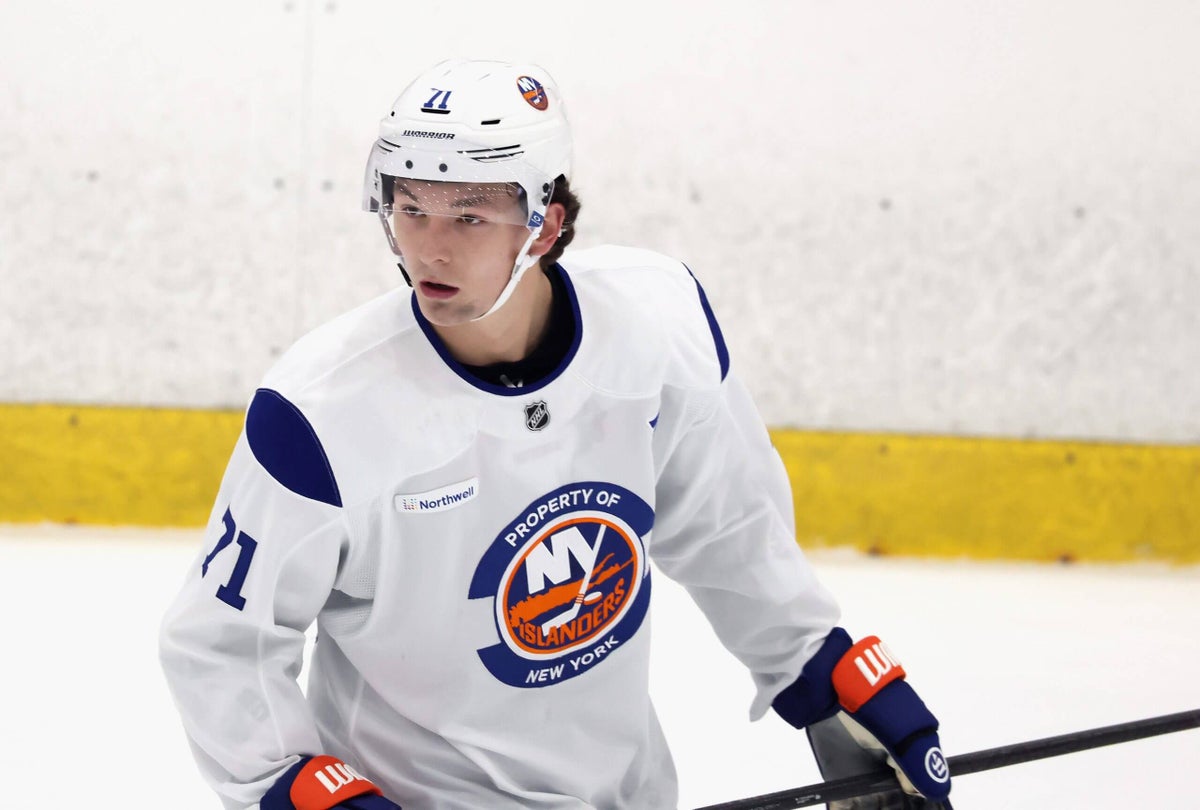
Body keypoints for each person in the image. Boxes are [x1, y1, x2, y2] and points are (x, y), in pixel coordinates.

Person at [159, 58, 952, 810]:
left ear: (545, 227)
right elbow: (222, 646)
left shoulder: (654, 324)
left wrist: (818, 663)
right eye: (411, 208)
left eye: (470, 216)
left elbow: (726, 525)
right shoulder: (322, 409)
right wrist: (297, 788)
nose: (429, 246)